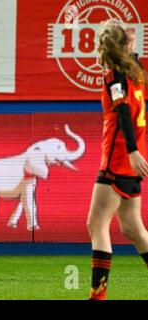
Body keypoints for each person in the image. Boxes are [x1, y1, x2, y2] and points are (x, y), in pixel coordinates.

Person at [87, 19, 148, 300]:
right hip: (134, 161)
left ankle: (97, 296)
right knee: (132, 227)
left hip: (119, 160)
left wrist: (133, 151)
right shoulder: (137, 73)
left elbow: (123, 113)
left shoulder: (114, 75)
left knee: (97, 224)